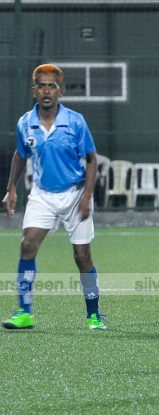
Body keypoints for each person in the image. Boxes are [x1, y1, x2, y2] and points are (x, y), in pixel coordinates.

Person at [2, 64, 107, 331]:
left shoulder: (75, 121)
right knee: (28, 245)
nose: (46, 90)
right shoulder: (25, 122)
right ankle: (24, 312)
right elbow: (21, 154)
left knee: (82, 255)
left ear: (59, 91)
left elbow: (92, 159)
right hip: (43, 194)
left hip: (75, 193)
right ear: (34, 90)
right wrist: (11, 188)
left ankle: (94, 314)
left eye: (51, 86)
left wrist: (87, 197)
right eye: (41, 85)